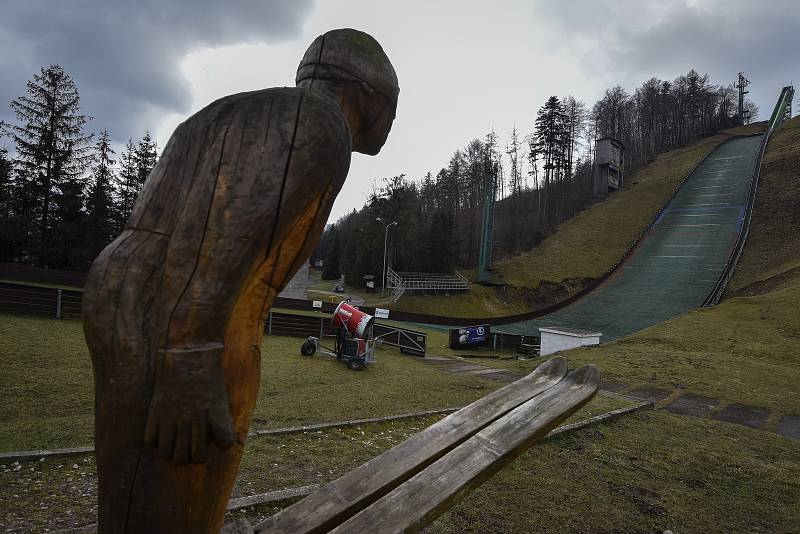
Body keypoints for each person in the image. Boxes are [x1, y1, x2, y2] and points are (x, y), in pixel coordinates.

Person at [82, 28, 398, 534]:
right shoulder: (318, 123)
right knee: (175, 476)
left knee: (140, 479)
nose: (391, 123)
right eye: (393, 106)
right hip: (178, 310)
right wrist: (188, 352)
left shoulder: (229, 111)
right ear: (367, 93)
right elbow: (220, 230)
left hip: (151, 292)